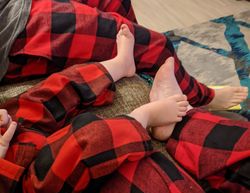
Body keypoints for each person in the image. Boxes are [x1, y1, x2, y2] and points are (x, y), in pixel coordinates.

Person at [0, 24, 248, 193]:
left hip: (13, 142)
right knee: (87, 138)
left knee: (44, 96)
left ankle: (120, 65)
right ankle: (147, 118)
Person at [0, 0, 248, 111]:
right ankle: (202, 99)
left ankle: (144, 72)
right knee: (155, 45)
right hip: (9, 28)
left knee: (117, 5)